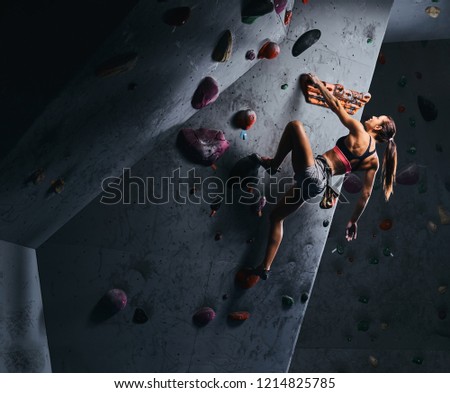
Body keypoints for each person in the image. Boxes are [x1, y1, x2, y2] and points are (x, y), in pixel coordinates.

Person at [251, 73, 397, 280]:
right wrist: (353, 221)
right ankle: (264, 267)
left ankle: (274, 165)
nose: (371, 117)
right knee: (276, 217)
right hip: (316, 187)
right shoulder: (374, 161)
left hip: (316, 172)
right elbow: (366, 194)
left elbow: (337, 106)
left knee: (295, 126)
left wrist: (318, 84)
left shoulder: (360, 131)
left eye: (376, 118)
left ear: (379, 128)